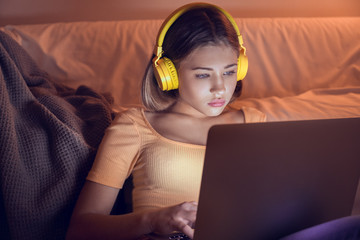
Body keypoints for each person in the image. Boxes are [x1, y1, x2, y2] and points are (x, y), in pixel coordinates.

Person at [66, 3, 360, 240]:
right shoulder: (134, 127)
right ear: (167, 73)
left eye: (230, 71)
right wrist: (153, 220)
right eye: (204, 74)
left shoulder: (255, 123)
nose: (220, 88)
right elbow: (81, 229)